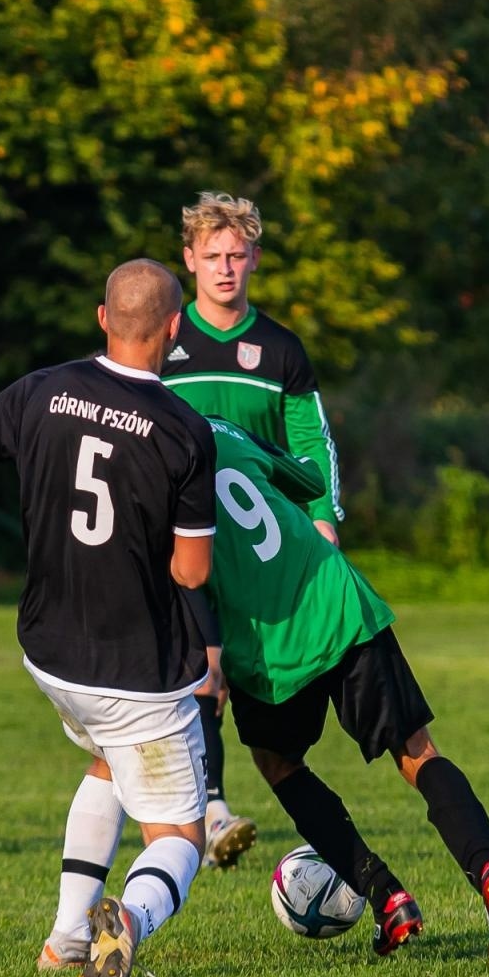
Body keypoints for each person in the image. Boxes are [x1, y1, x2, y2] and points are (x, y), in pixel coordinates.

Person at [0, 259, 217, 977]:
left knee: (107, 763)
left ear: (102, 319)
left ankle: (65, 939)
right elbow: (191, 573)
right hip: (139, 671)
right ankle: (127, 919)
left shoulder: (43, 389)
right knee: (180, 837)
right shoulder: (184, 430)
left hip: (51, 654)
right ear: (176, 329)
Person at [199, 416, 489, 970]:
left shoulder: (150, 468)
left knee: (278, 763)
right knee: (417, 752)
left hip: (267, 641)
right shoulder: (220, 430)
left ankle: (386, 895)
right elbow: (307, 477)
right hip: (337, 599)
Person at [159, 191, 345, 870]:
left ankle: (247, 791)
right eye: (212, 256)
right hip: (183, 545)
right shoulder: (166, 341)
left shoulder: (278, 348)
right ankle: (209, 810)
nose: (225, 267)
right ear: (189, 260)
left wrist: (323, 516)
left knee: (257, 680)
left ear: (256, 259)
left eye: (237, 255)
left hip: (264, 549)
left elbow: (310, 441)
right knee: (202, 671)